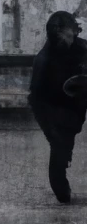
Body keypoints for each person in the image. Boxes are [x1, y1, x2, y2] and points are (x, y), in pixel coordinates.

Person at [29, 11, 87, 204]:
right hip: (53, 110)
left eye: (71, 36)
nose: (69, 42)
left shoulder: (82, 48)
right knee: (60, 148)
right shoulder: (43, 60)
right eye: (64, 39)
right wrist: (51, 130)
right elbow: (36, 100)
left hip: (77, 105)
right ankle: (63, 193)